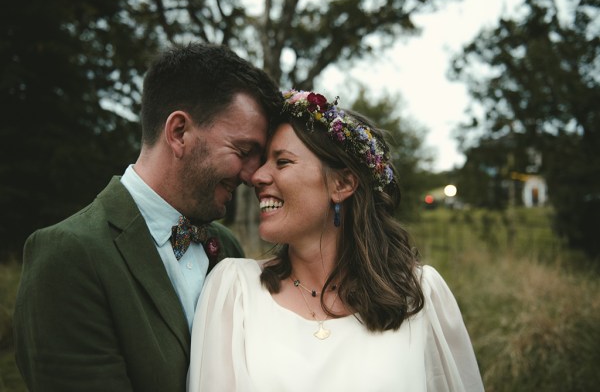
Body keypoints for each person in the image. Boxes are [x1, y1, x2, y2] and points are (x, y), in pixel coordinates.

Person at [13, 43, 282, 392]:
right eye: (244, 152)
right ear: (179, 132)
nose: (252, 175)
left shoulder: (227, 247)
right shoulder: (68, 255)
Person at [187, 90, 485, 391]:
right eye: (264, 162)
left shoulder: (419, 295)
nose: (257, 177)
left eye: (283, 162)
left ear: (342, 184)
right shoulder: (233, 291)